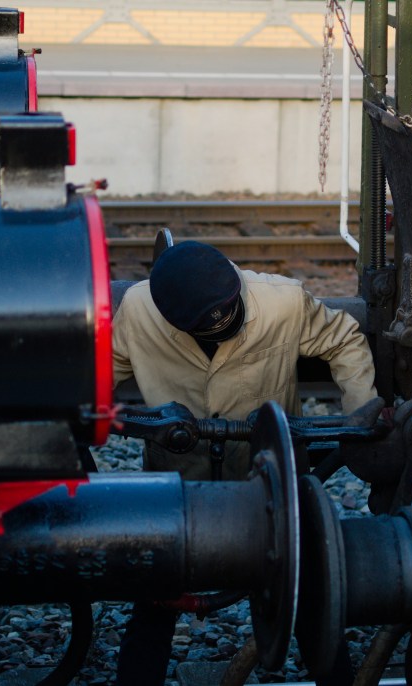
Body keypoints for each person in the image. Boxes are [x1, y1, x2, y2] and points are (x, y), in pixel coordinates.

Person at [111, 240, 380, 684]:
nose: (222, 325)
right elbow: (99, 373)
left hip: (273, 486)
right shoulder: (140, 312)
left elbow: (344, 338)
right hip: (177, 488)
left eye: (228, 315)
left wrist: (360, 415)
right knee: (155, 604)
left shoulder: (283, 302)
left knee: (310, 602)